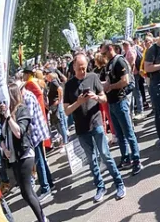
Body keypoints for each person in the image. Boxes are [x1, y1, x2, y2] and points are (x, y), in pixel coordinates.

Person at [63, 53, 126, 202]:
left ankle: (119, 183)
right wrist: (78, 102)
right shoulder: (69, 85)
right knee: (91, 161)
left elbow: (104, 98)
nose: (82, 71)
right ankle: (100, 186)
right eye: (79, 69)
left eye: (84, 68)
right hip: (81, 128)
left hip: (96, 123)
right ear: (73, 67)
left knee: (105, 155)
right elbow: (66, 111)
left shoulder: (93, 77)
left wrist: (95, 97)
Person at [0, 85, 52, 222]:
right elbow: (3, 136)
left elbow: (19, 132)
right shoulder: (6, 114)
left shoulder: (22, 110)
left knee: (28, 192)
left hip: (25, 155)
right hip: (14, 158)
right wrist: (4, 149)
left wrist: (8, 117)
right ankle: (44, 219)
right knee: (25, 192)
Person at [101, 41, 143, 175]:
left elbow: (125, 81)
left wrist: (110, 86)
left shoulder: (119, 61)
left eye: (104, 52)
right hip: (112, 102)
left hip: (120, 100)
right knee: (119, 134)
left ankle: (136, 160)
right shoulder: (109, 63)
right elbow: (108, 81)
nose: (103, 55)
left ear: (110, 48)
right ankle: (126, 158)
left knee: (128, 133)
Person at [22, 70, 55, 200]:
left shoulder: (29, 90)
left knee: (39, 160)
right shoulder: (33, 84)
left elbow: (28, 118)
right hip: (38, 129)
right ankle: (49, 183)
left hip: (35, 132)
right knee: (41, 159)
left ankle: (45, 187)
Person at [46, 70, 67, 146]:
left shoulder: (53, 82)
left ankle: (65, 142)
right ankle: (63, 140)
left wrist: (59, 100)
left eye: (47, 74)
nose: (45, 76)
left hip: (56, 105)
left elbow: (60, 89)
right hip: (55, 105)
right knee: (58, 123)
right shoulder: (52, 82)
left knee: (60, 123)